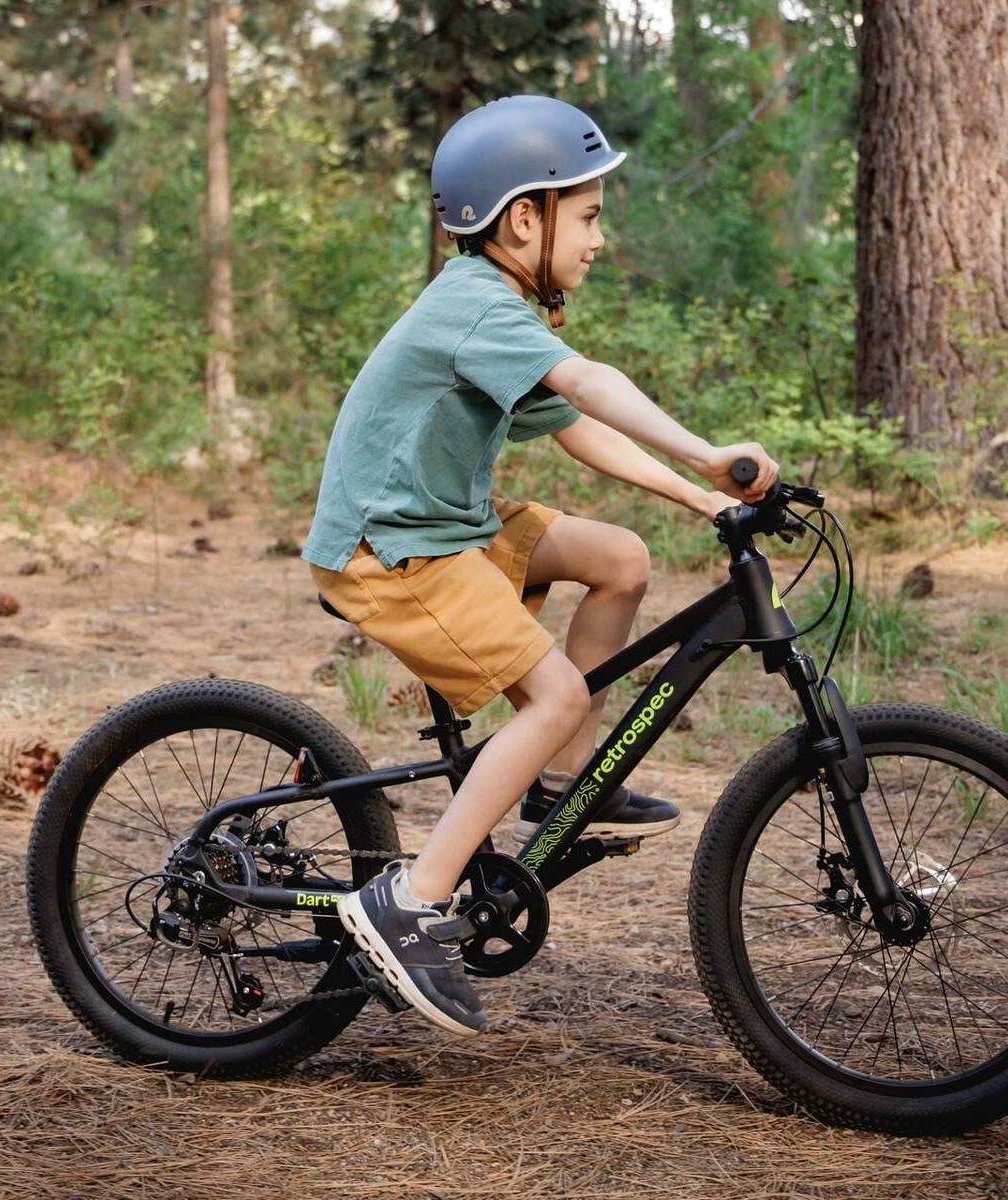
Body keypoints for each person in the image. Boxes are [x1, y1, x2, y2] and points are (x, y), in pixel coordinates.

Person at [302, 94, 779, 1038]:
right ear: (526, 216)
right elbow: (589, 382)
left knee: (620, 558)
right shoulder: (476, 304)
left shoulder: (504, 305)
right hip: (389, 549)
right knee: (556, 692)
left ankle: (564, 784)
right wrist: (706, 450)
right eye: (591, 214)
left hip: (448, 524)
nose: (602, 237)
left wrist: (706, 499)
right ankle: (408, 902)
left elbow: (582, 430)